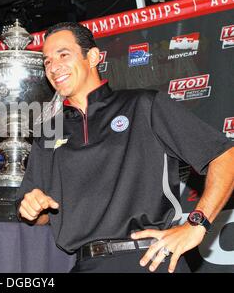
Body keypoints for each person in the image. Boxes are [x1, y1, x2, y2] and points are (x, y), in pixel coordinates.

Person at [17, 22, 234, 273]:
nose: (53, 67)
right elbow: (41, 215)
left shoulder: (143, 105)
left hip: (148, 260)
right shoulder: (47, 132)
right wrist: (33, 207)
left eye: (63, 55)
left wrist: (197, 223)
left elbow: (225, 156)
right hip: (85, 264)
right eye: (46, 62)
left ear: (93, 57)